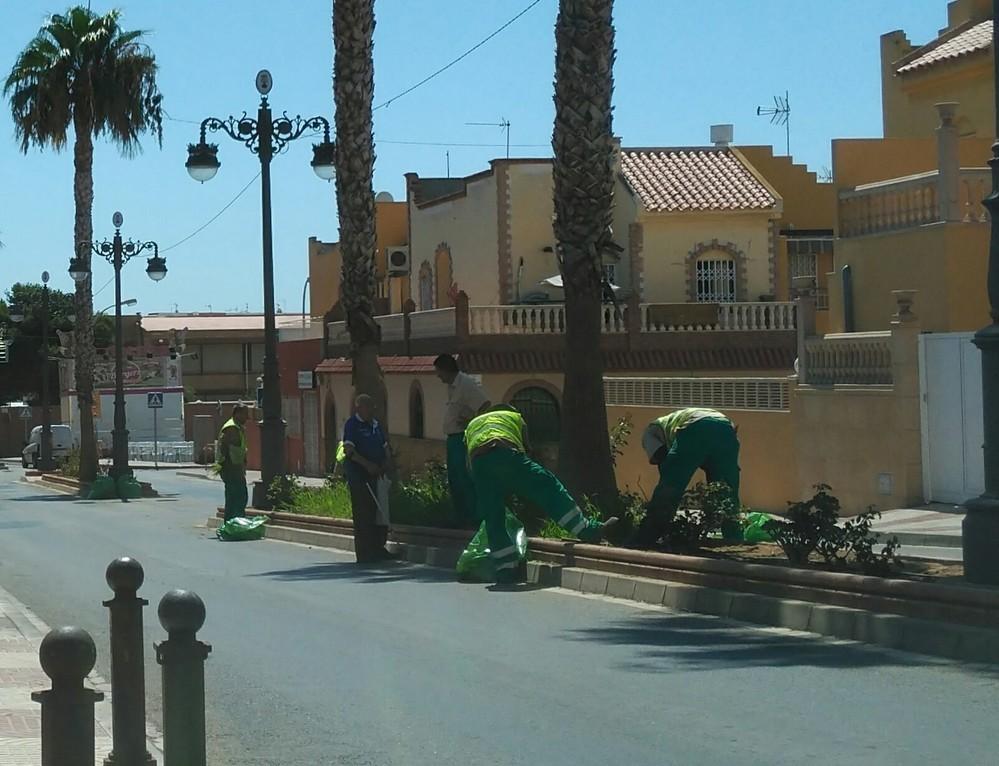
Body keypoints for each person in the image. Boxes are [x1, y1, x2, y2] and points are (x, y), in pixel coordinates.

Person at [465, 405, 617, 584]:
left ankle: (506, 570)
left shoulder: (472, 426)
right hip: (506, 453)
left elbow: (468, 463)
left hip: (480, 465)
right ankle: (588, 530)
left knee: (493, 517)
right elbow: (526, 449)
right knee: (549, 487)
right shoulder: (515, 416)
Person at [628, 407, 741, 548]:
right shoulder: (672, 422)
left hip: (695, 428)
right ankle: (734, 534)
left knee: (671, 483)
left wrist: (669, 473)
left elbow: (661, 457)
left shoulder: (651, 432)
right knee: (726, 486)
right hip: (726, 430)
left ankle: (648, 534)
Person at [433, 354, 490, 522]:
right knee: (454, 479)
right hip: (452, 438)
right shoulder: (451, 386)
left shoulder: (466, 384)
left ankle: (473, 518)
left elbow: (485, 405)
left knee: (464, 478)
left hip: (463, 438)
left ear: (447, 370)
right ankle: (460, 517)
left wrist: (472, 422)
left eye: (439, 372)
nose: (438, 376)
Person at [342, 394, 396, 564]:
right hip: (360, 477)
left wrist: (387, 462)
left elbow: (385, 446)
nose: (371, 410)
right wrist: (367, 465)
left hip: (378, 475)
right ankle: (365, 552)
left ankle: (379, 548)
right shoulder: (353, 425)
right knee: (364, 514)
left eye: (372, 407)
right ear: (359, 408)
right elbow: (349, 450)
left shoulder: (375, 425)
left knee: (380, 513)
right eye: (367, 407)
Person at [218, 404, 249, 521]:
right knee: (238, 497)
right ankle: (234, 522)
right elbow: (229, 450)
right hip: (231, 468)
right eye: (245, 414)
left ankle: (234, 521)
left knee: (236, 497)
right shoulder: (232, 428)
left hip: (234, 467)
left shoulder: (237, 427)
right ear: (237, 414)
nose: (247, 418)